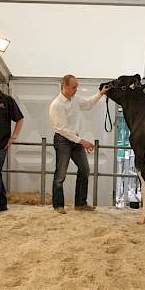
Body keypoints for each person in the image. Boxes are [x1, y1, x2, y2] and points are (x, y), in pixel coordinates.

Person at [49, 74, 109, 214]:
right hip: (63, 140)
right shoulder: (57, 104)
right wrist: (82, 142)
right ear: (65, 86)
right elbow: (63, 129)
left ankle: (80, 203)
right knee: (60, 174)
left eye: (77, 87)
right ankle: (58, 205)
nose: (76, 90)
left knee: (85, 169)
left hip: (74, 139)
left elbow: (87, 104)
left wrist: (100, 93)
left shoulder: (74, 100)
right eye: (74, 87)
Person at [0, 72, 24, 212]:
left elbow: (20, 119)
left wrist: (13, 137)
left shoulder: (7, 100)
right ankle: (1, 203)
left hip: (1, 145)